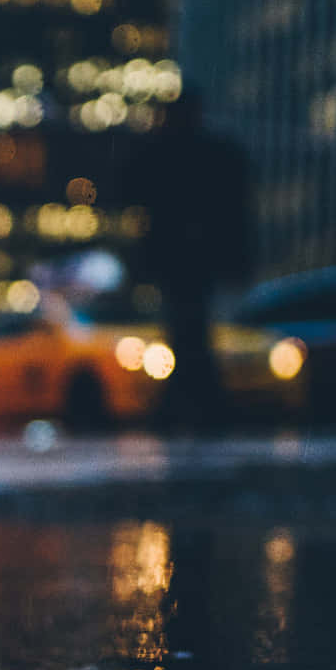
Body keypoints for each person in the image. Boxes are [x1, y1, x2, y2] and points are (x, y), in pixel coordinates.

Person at [119, 94, 253, 430]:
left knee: (187, 328)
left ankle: (189, 405)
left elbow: (129, 189)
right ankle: (198, 404)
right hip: (191, 259)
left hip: (182, 258)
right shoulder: (212, 153)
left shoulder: (169, 154)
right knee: (189, 328)